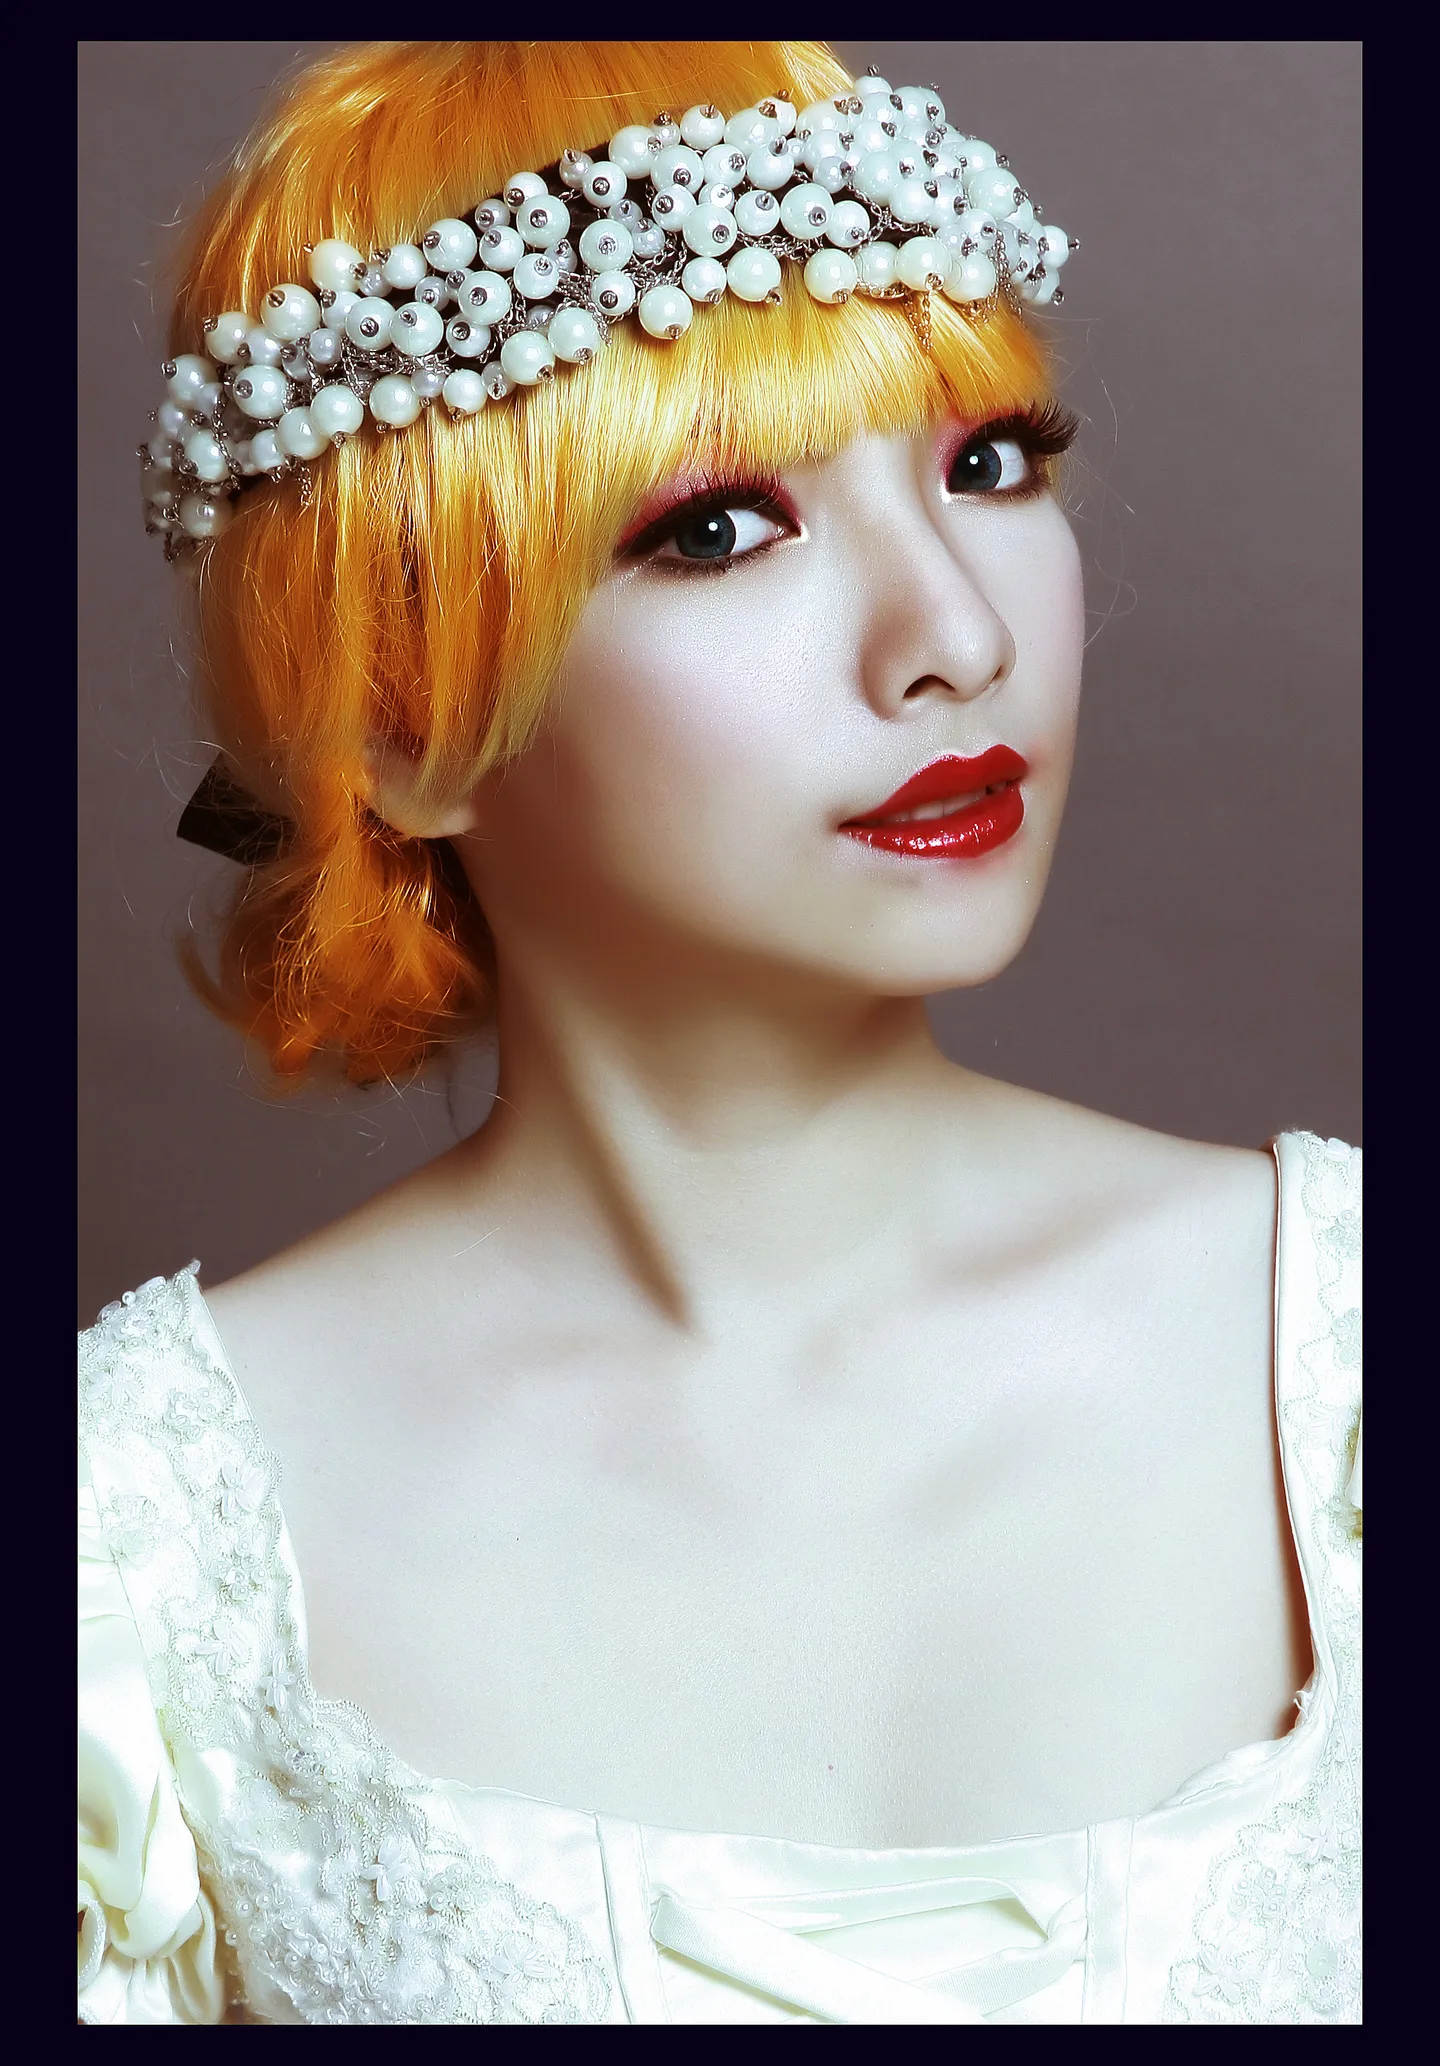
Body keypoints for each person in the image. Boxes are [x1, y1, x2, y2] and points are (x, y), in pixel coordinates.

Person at [78, 39, 1361, 2025]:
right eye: (719, 528)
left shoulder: (1346, 1363)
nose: (957, 635)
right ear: (402, 728)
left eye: (989, 463)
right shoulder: (133, 1546)